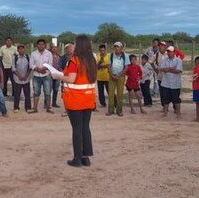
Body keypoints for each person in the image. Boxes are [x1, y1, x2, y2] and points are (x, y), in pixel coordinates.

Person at [51, 35, 96, 168]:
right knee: (85, 127)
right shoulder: (92, 61)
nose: (73, 46)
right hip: (88, 99)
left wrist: (57, 75)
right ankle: (85, 157)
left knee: (77, 129)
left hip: (75, 100)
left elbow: (71, 79)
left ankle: (77, 159)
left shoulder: (74, 61)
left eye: (75, 44)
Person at [30, 39, 54, 114]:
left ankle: (48, 108)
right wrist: (38, 69)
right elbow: (31, 65)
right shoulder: (33, 53)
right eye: (39, 44)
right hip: (36, 76)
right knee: (36, 92)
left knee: (47, 92)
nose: (41, 45)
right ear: (37, 45)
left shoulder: (49, 53)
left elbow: (50, 64)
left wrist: (43, 69)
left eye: (42, 44)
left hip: (46, 75)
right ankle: (35, 109)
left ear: (45, 45)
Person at [159, 46, 183, 119]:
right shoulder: (165, 59)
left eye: (170, 51)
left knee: (176, 99)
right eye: (168, 51)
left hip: (175, 84)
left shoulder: (178, 60)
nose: (169, 53)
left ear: (174, 52)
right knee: (165, 99)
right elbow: (162, 69)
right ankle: (165, 113)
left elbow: (178, 70)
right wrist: (170, 68)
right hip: (166, 83)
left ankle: (178, 113)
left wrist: (167, 70)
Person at [107, 42, 129, 117]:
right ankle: (110, 110)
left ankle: (119, 111)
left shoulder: (125, 56)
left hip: (121, 77)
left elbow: (126, 67)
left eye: (118, 47)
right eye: (115, 47)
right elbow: (109, 66)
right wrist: (112, 75)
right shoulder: (111, 55)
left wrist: (119, 75)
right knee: (111, 94)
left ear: (121, 48)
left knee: (120, 94)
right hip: (112, 76)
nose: (116, 48)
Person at [11, 44, 32, 113]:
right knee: (17, 94)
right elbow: (13, 68)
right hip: (17, 79)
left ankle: (28, 107)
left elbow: (30, 68)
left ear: (24, 49)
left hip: (26, 79)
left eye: (22, 48)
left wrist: (26, 76)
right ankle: (16, 107)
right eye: (19, 49)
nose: (21, 50)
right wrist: (19, 76)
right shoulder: (15, 58)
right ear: (17, 50)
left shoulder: (28, 57)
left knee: (27, 94)